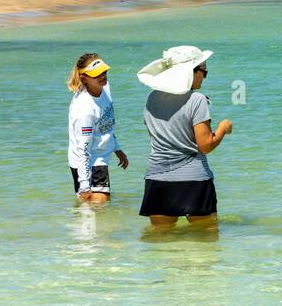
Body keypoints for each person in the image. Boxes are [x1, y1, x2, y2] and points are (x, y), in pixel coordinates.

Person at [136, 45, 233, 228]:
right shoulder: (197, 100)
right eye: (204, 71)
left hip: (157, 178)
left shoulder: (152, 97)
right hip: (193, 180)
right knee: (205, 243)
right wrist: (222, 129)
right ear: (192, 72)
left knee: (160, 242)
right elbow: (205, 145)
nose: (205, 76)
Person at [67, 52, 128, 202]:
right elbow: (83, 149)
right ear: (84, 78)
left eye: (103, 72)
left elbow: (105, 123)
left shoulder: (105, 88)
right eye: (96, 75)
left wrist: (116, 147)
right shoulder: (85, 110)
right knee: (95, 208)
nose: (102, 77)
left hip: (99, 157)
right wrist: (84, 186)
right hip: (87, 162)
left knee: (99, 211)